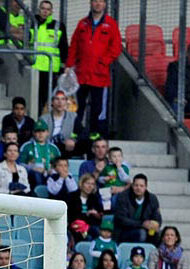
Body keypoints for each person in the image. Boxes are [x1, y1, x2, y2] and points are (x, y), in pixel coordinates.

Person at [64, 0, 121, 137]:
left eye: (101, 1)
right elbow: (74, 45)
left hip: (99, 74)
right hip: (81, 72)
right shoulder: (82, 23)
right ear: (91, 3)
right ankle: (75, 131)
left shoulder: (111, 24)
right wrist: (69, 65)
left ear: (105, 4)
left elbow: (116, 47)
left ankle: (94, 133)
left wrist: (104, 61)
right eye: (95, 1)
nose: (98, 4)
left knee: (97, 106)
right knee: (78, 105)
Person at [30, 0, 69, 114]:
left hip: (51, 68)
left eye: (48, 9)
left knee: (48, 99)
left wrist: (63, 66)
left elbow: (63, 47)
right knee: (36, 99)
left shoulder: (58, 26)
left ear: (51, 11)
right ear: (39, 10)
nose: (45, 12)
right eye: (43, 9)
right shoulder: (33, 23)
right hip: (35, 66)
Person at [113, 173, 162, 244]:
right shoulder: (123, 197)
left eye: (141, 186)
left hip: (146, 229)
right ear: (132, 186)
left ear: (146, 187)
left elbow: (157, 217)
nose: (138, 188)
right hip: (125, 231)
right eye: (136, 185)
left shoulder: (152, 198)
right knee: (141, 233)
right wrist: (142, 224)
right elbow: (121, 219)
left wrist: (155, 225)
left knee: (159, 233)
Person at [20, 119, 59, 188]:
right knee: (37, 173)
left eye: (43, 131)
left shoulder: (54, 148)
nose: (40, 134)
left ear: (47, 132)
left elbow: (60, 164)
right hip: (32, 174)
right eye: (37, 131)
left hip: (49, 173)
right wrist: (32, 168)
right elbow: (20, 164)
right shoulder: (26, 146)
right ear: (33, 133)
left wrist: (52, 169)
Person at [42, 89, 80, 157]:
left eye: (63, 99)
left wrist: (73, 140)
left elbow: (80, 132)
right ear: (52, 102)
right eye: (57, 99)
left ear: (66, 102)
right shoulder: (44, 119)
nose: (60, 102)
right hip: (48, 148)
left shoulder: (73, 116)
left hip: (66, 148)